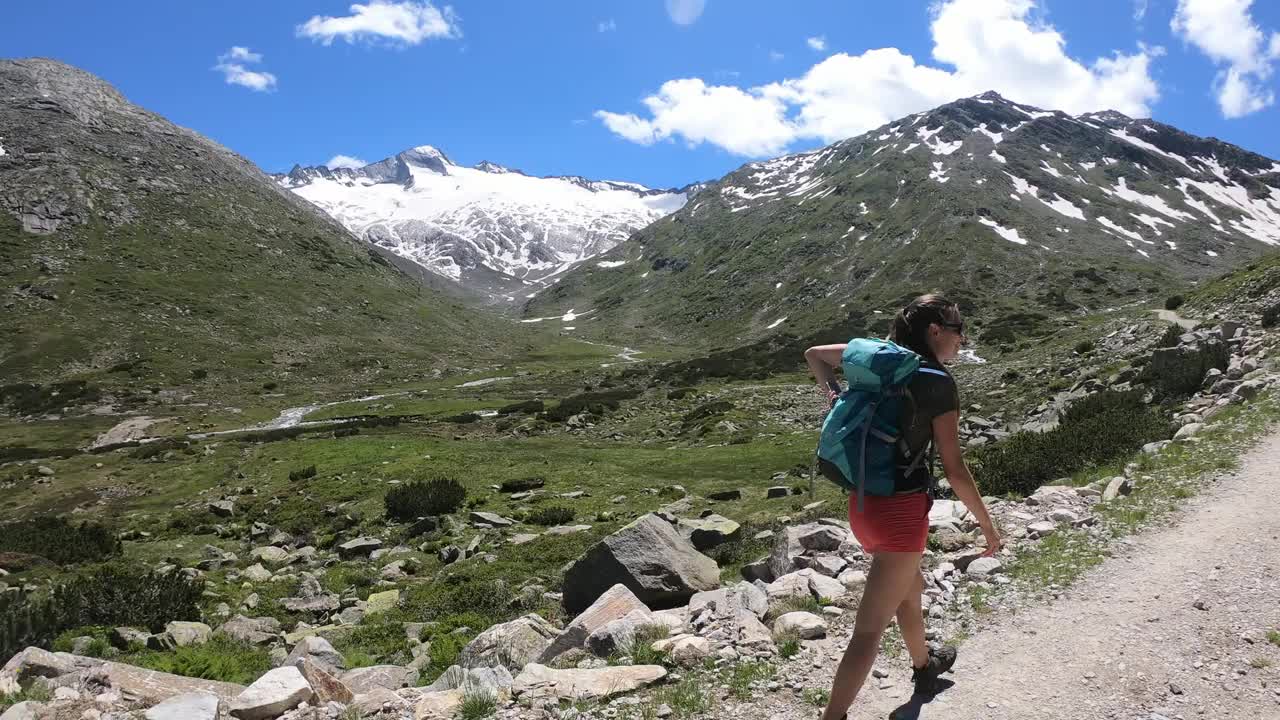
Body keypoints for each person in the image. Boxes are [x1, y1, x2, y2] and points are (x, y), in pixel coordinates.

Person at [803, 294, 1002, 719]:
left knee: (910, 592)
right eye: (957, 330)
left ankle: (924, 667)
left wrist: (833, 395)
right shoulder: (937, 381)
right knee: (868, 631)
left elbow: (814, 355)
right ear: (935, 331)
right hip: (901, 513)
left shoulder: (878, 359)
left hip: (863, 507)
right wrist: (987, 524)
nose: (962, 339)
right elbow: (955, 468)